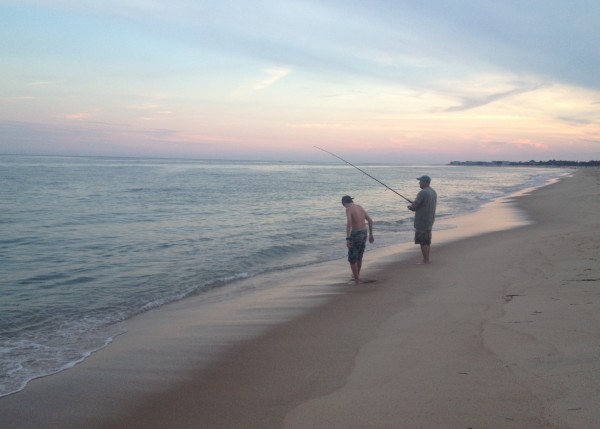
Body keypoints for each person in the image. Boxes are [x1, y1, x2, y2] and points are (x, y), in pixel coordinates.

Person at [341, 195, 374, 283]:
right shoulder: (359, 207)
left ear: (344, 203)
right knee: (359, 256)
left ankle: (356, 279)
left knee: (352, 259)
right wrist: (371, 235)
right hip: (364, 232)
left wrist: (348, 238)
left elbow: (349, 223)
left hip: (356, 234)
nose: (344, 207)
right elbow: (370, 221)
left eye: (343, 205)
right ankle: (357, 276)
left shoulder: (348, 209)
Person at [407, 175, 437, 264]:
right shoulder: (433, 191)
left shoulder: (422, 192)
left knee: (423, 242)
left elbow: (414, 206)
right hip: (429, 220)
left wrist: (410, 207)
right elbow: (424, 204)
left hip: (422, 221)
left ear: (426, 182)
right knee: (427, 241)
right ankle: (427, 259)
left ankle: (425, 260)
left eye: (420, 181)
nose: (419, 183)